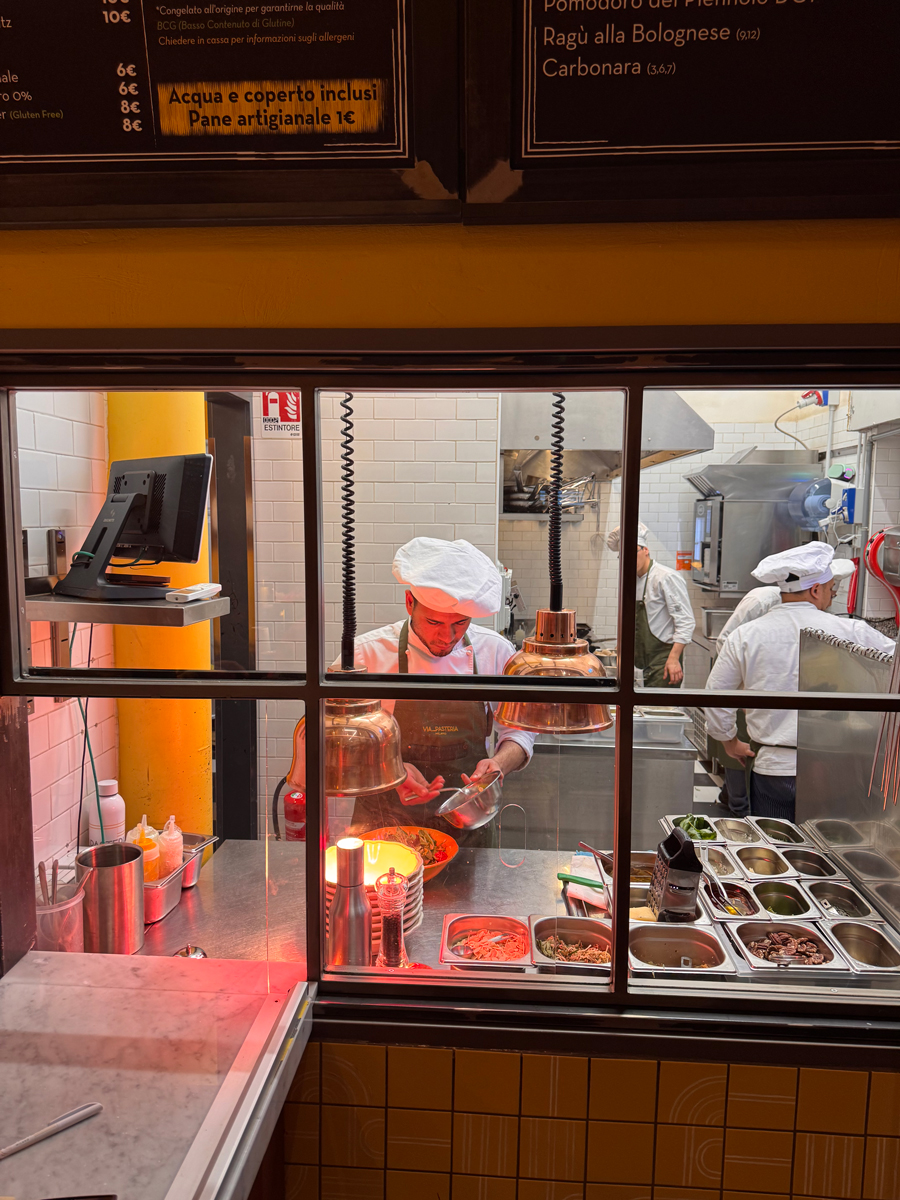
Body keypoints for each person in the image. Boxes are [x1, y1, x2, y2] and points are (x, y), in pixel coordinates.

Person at [341, 537, 535, 846]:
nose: (447, 637)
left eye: (460, 623)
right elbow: (335, 742)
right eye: (433, 622)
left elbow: (521, 732)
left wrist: (500, 763)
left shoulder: (495, 651)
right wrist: (387, 769)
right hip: (383, 828)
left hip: (468, 826)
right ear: (409, 602)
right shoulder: (365, 655)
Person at [705, 544, 893, 821]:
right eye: (830, 589)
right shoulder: (851, 631)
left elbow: (715, 696)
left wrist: (729, 741)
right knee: (829, 844)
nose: (831, 596)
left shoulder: (746, 635)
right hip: (835, 767)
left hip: (772, 769)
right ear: (815, 590)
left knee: (775, 843)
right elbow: (894, 667)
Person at [607, 522, 696, 687]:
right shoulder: (630, 580)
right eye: (623, 555)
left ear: (645, 550)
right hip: (639, 661)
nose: (629, 559)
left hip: (664, 661)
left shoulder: (666, 577)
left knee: (659, 703)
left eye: (633, 552)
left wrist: (674, 658)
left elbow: (686, 622)